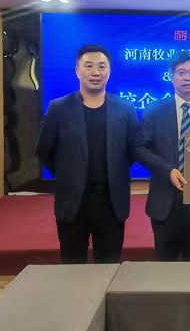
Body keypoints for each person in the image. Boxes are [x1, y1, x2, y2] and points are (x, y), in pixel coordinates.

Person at [36, 44, 138, 263]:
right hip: (73, 202)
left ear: (109, 71)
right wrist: (66, 173)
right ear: (77, 70)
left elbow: (132, 151)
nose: (95, 72)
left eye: (101, 66)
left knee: (109, 265)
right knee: (72, 266)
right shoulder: (58, 108)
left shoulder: (125, 109)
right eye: (89, 66)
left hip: (111, 202)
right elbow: (44, 150)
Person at [134, 51, 190, 260]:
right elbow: (140, 148)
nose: (187, 77)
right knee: (164, 264)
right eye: (181, 72)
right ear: (171, 76)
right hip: (164, 200)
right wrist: (168, 171)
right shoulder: (154, 112)